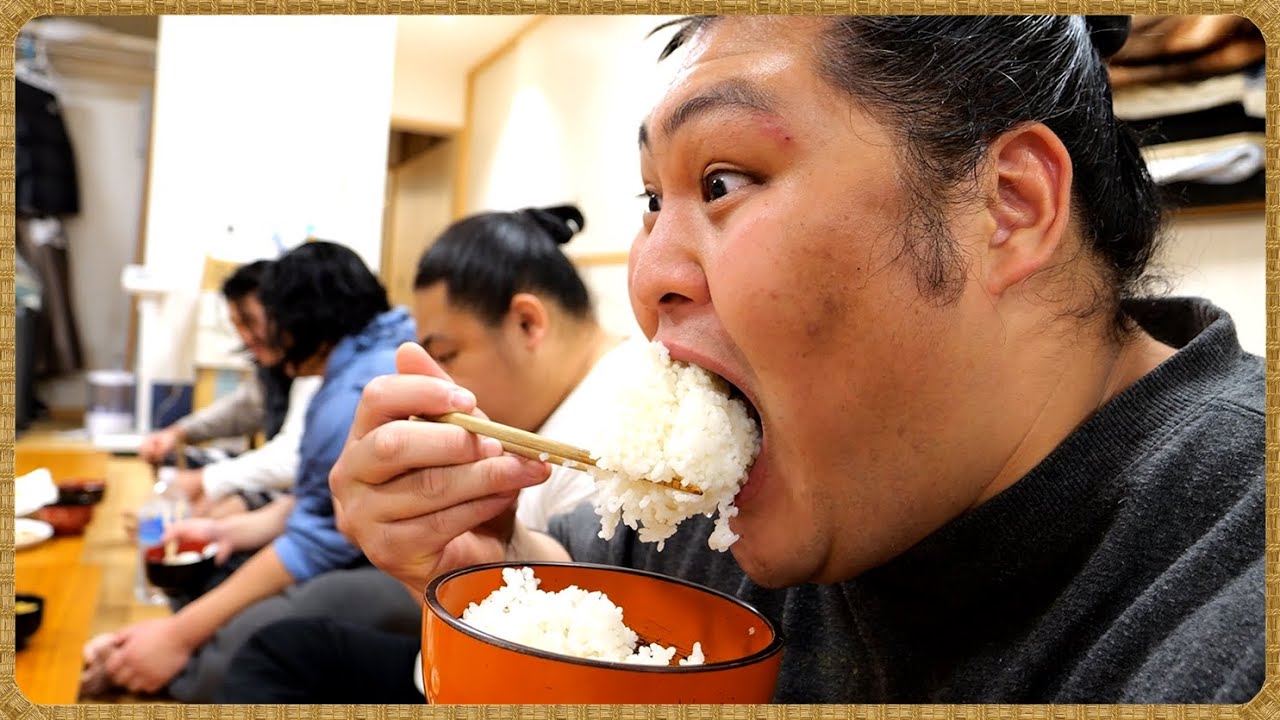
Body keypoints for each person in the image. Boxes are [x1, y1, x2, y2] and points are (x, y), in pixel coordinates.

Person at [324, 15, 1264, 704]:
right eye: (653, 197)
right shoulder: (727, 514)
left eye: (721, 182)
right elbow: (604, 632)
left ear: (1008, 205)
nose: (647, 276)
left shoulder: (1232, 614)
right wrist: (499, 582)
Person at [217, 205, 619, 703]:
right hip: (447, 656)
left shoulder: (597, 447)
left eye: (445, 354)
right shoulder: (548, 412)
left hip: (483, 677)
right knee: (283, 648)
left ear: (526, 323)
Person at [81, 241, 419, 700]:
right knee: (222, 565)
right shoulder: (353, 362)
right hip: (356, 547)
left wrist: (179, 635)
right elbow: (318, 503)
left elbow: (316, 539)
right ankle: (139, 654)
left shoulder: (355, 386)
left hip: (402, 573)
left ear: (305, 314)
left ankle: (139, 663)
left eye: (266, 320)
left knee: (250, 644)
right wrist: (231, 532)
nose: (260, 337)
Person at [136, 260, 321, 518]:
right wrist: (178, 433)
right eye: (237, 325)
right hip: (284, 476)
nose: (245, 336)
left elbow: (291, 459)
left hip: (300, 488)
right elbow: (243, 408)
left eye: (250, 322)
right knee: (178, 463)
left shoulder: (312, 366)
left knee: (222, 505)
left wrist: (204, 481)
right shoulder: (274, 365)